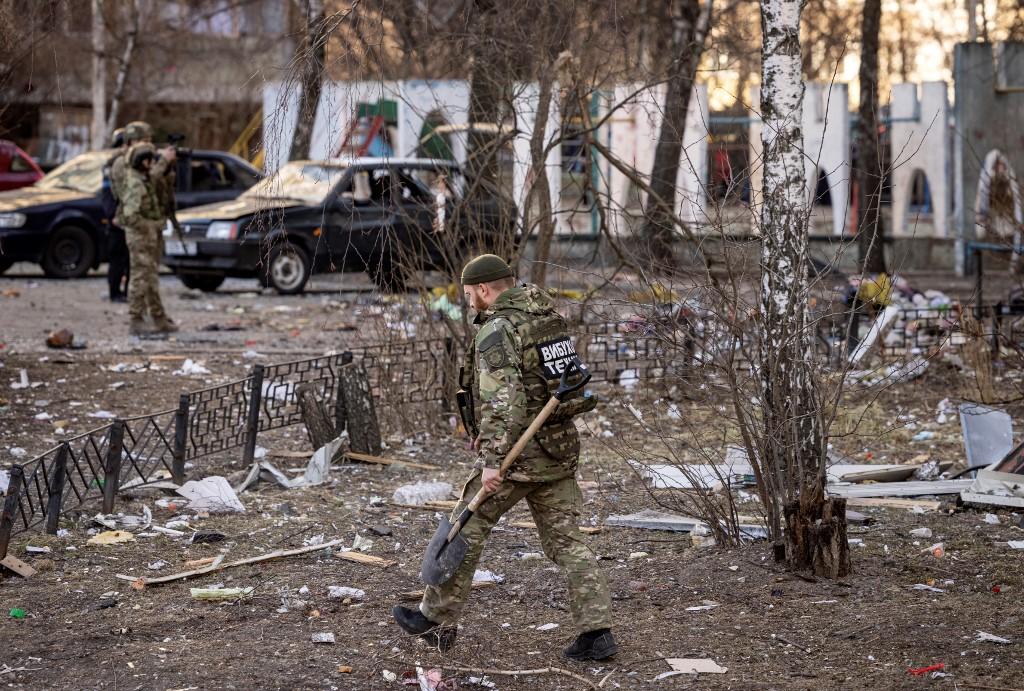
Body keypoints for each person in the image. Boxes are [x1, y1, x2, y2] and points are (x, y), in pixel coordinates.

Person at [392, 254, 616, 662]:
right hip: (558, 450)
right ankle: (597, 633)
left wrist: (494, 459)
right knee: (568, 543)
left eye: (468, 292)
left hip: (518, 457)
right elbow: (560, 385)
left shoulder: (497, 329)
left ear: (482, 289)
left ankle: (435, 620)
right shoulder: (547, 318)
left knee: (464, 528)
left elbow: (503, 399)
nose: (468, 299)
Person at [117, 144, 176, 336]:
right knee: (139, 278)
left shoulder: (143, 179)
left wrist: (165, 160)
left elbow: (157, 176)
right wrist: (151, 225)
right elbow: (129, 216)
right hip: (140, 238)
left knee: (150, 278)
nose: (153, 165)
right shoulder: (136, 184)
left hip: (147, 237)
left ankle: (158, 318)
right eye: (150, 161)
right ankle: (136, 319)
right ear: (144, 162)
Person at [102, 128, 129, 302]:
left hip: (128, 218)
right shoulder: (113, 165)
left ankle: (126, 293)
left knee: (129, 261)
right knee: (118, 259)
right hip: (117, 221)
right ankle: (115, 293)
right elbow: (107, 194)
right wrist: (113, 215)